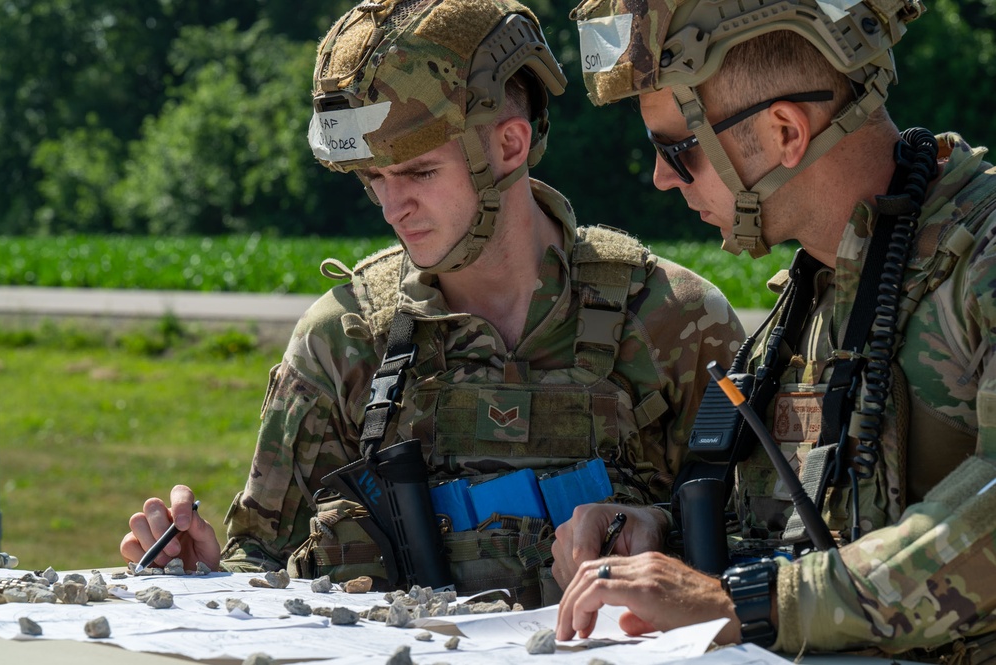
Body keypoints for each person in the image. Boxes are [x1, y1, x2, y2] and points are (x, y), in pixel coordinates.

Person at [120, 0, 743, 609]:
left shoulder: (674, 322)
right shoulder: (344, 340)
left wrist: (655, 527)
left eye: (418, 173)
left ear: (508, 145)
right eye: (374, 182)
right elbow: (262, 565)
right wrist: (207, 578)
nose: (394, 209)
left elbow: (761, 554)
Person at [552, 0, 996, 658]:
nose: (659, 178)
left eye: (678, 151)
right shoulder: (818, 289)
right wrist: (656, 539)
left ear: (784, 131)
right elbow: (805, 532)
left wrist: (751, 602)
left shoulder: (979, 257)